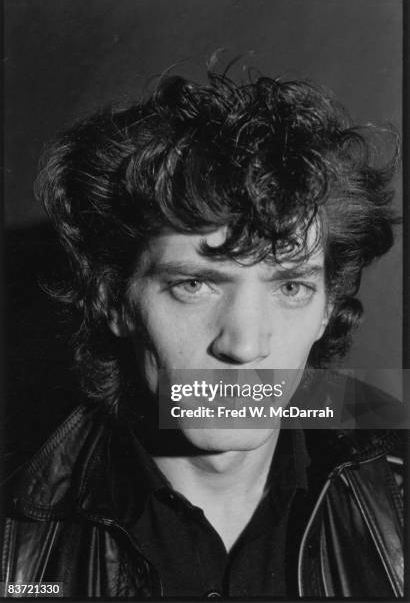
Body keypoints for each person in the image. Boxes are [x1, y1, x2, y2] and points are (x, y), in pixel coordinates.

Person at [1, 70, 404, 598]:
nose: (244, 345)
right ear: (114, 300)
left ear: (328, 309)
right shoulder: (17, 535)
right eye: (194, 284)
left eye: (291, 288)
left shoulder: (398, 499)